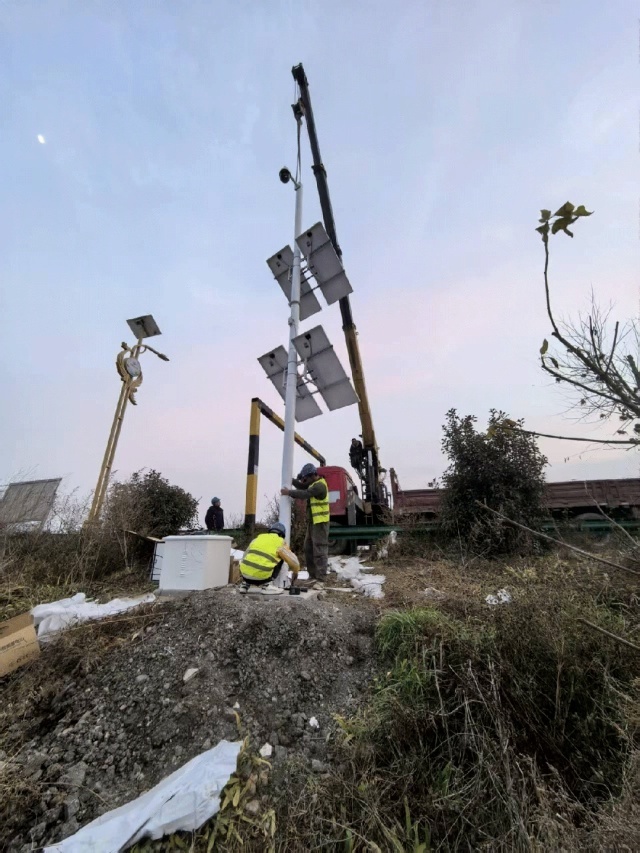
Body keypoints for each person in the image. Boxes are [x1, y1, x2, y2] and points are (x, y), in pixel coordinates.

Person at [281, 463, 329, 589]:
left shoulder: (320, 486)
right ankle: (313, 576)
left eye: (306, 478)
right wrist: (289, 479)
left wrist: (289, 492)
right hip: (313, 522)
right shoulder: (313, 483)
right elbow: (302, 486)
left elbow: (305, 493)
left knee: (319, 549)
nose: (304, 481)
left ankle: (321, 579)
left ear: (313, 475)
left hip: (320, 522)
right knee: (308, 548)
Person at [239, 522, 300, 596]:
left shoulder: (257, 539)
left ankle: (245, 585)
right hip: (262, 578)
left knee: (252, 557)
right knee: (282, 559)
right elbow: (294, 562)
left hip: (245, 576)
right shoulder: (280, 542)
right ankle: (267, 586)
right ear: (282, 535)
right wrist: (296, 571)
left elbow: (244, 556)